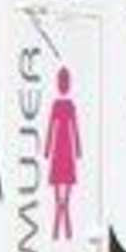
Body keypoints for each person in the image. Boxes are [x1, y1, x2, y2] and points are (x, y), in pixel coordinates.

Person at [43, 66, 81, 242]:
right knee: (59, 185)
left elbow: (74, 128)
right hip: (60, 147)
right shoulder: (58, 105)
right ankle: (62, 216)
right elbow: (52, 127)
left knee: (65, 184)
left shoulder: (68, 105)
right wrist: (46, 149)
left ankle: (62, 216)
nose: (63, 85)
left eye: (64, 82)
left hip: (65, 147)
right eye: (62, 82)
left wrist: (78, 149)